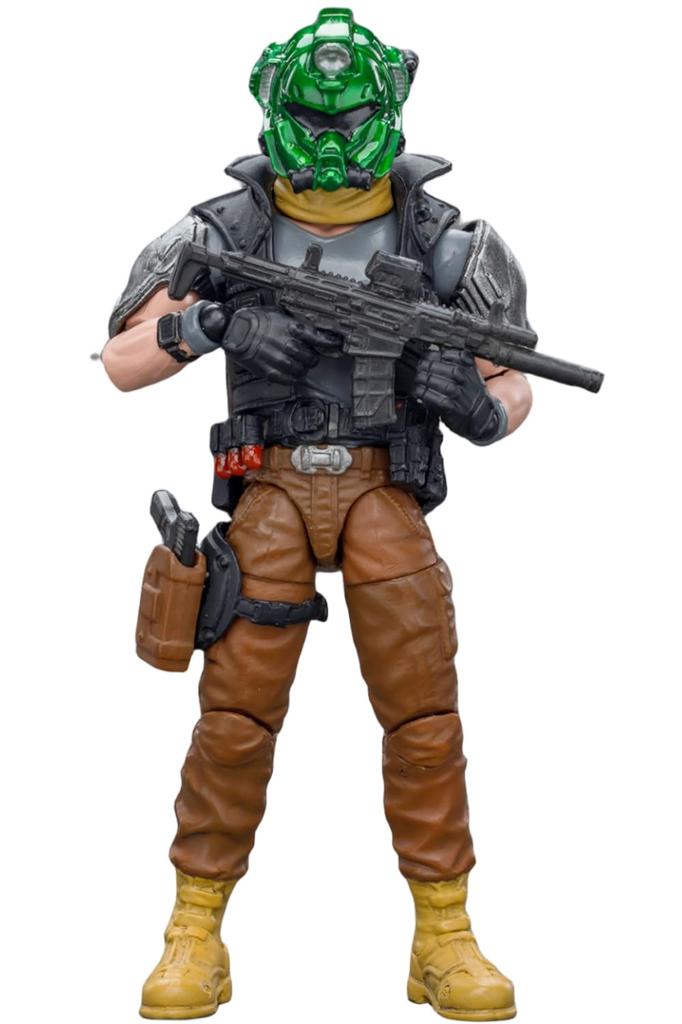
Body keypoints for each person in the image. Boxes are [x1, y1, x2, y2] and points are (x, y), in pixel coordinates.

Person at [103, 9, 532, 1021]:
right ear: (274, 112)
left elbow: (512, 380)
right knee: (235, 716)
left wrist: (475, 407)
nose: (331, 142)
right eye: (310, 120)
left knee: (424, 716)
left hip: (386, 486)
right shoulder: (220, 234)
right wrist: (212, 323)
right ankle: (193, 929)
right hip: (272, 487)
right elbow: (121, 358)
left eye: (348, 121)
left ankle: (444, 933)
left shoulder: (448, 242)